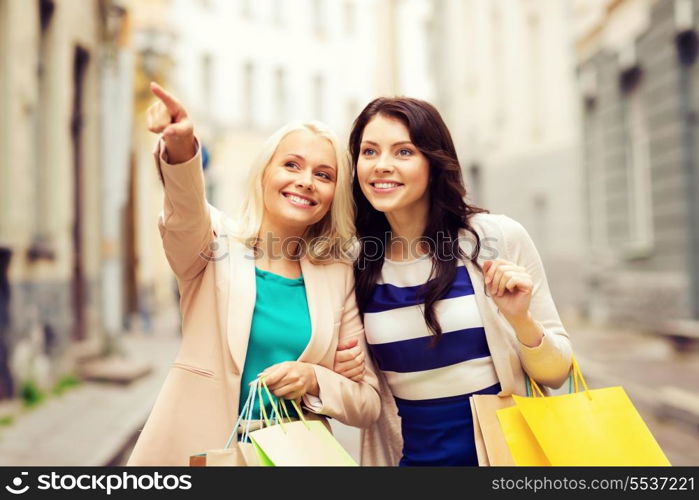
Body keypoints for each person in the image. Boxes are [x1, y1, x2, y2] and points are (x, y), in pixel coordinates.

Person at [127, 83, 380, 466]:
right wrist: (181, 148)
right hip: (201, 453)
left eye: (324, 175)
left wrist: (314, 379)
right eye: (291, 165)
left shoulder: (338, 276)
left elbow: (367, 403)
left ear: (333, 196)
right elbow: (185, 209)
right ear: (265, 173)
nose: (306, 181)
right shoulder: (214, 244)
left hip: (293, 461)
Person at [334, 97, 573, 466]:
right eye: (369, 152)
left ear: (433, 161)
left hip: (505, 459)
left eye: (403, 152)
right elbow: (361, 398)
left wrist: (522, 320)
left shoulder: (496, 239)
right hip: (410, 460)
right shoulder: (354, 264)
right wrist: (344, 370)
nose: (382, 166)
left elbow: (557, 374)